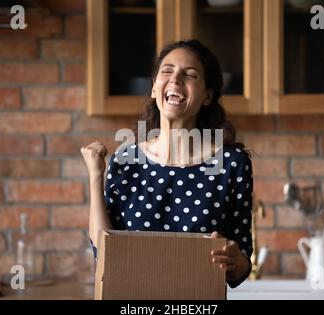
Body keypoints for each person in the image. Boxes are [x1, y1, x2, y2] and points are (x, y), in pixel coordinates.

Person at [81, 40, 253, 288]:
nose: (175, 80)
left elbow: (241, 267)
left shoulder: (231, 165)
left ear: (207, 95)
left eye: (190, 74)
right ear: (153, 88)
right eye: (167, 71)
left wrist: (235, 259)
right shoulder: (125, 161)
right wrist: (96, 177)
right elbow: (105, 255)